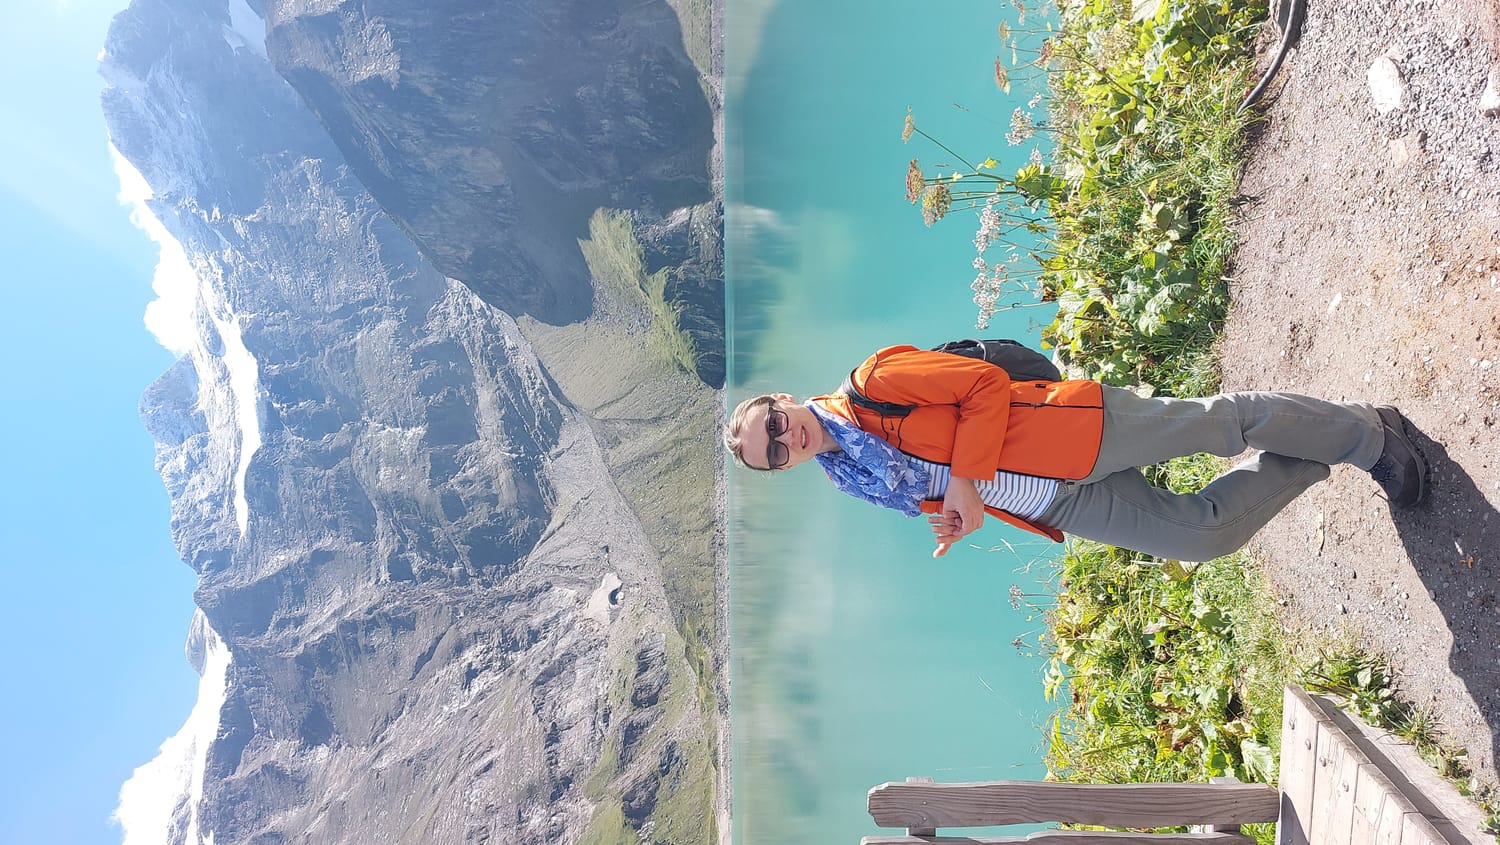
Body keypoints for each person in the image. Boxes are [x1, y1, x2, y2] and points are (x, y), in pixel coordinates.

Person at [723, 343, 1429, 561]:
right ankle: (1324, 447)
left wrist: (965, 480)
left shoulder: (873, 384)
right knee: (1205, 535)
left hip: (1074, 433)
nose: (787, 440)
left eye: (775, 426)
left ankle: (1368, 435)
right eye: (774, 454)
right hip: (1056, 498)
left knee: (1222, 425)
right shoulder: (850, 477)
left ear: (783, 400)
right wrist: (955, 513)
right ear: (783, 470)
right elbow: (950, 487)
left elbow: (985, 384)